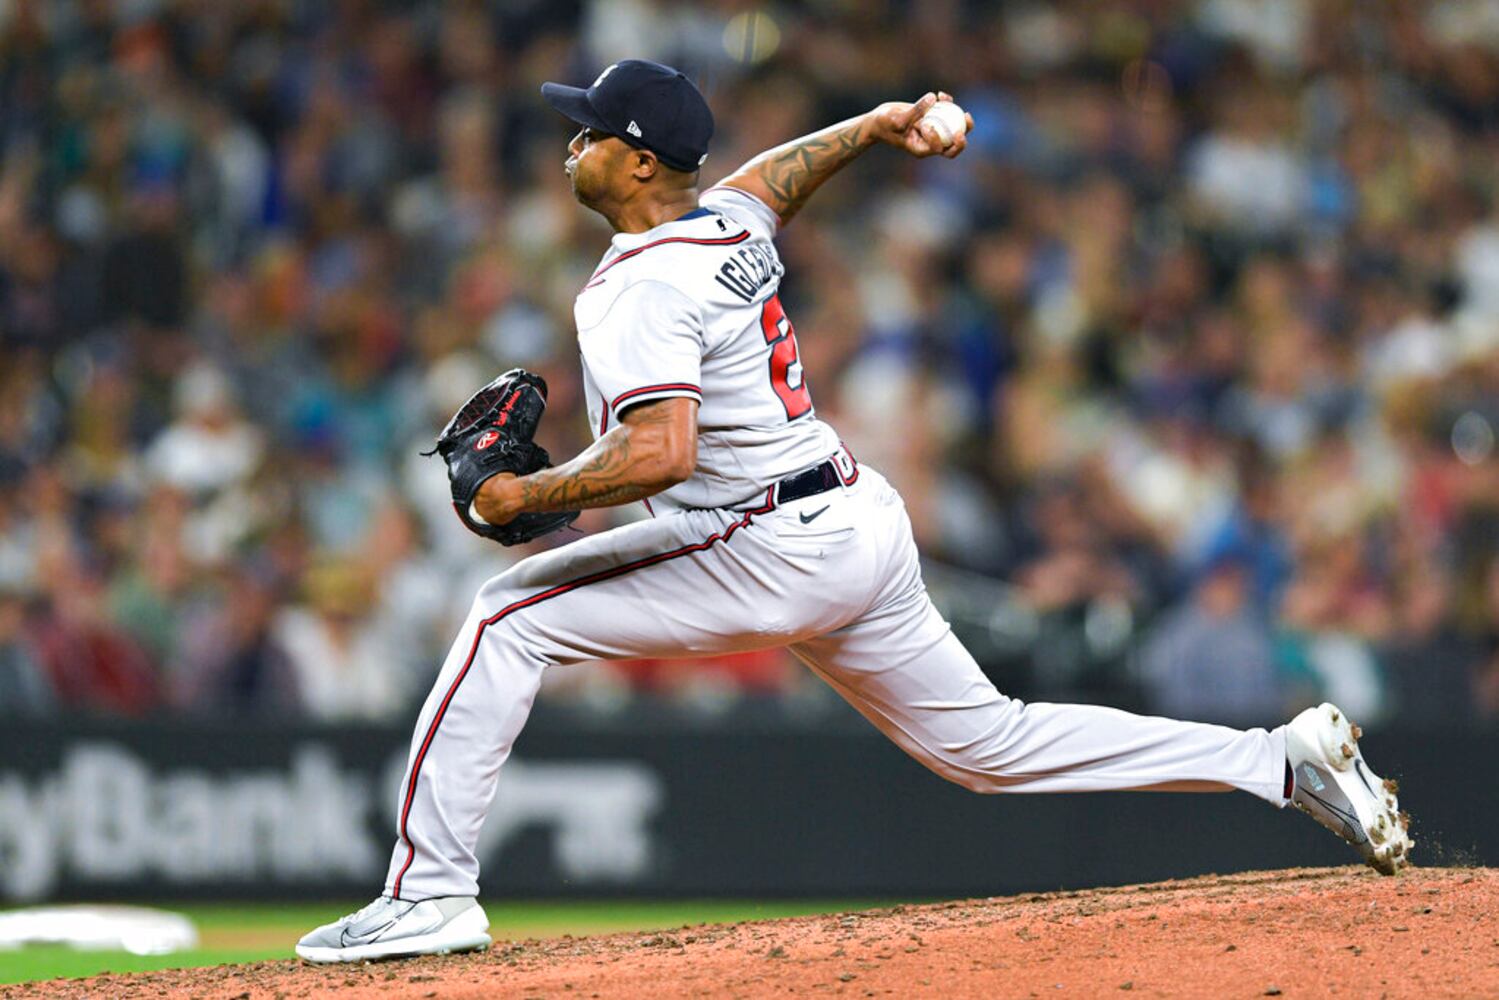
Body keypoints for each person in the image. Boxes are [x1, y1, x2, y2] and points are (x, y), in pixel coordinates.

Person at [297, 61, 1411, 963]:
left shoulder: (637, 283)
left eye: (589, 131)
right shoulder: (725, 225)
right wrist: (875, 125)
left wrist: (520, 495)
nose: (570, 142)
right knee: (988, 743)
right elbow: (774, 180)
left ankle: (428, 893)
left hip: (762, 540)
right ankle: (1278, 760)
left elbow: (661, 451)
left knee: (504, 616)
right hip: (850, 518)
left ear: (637, 162)